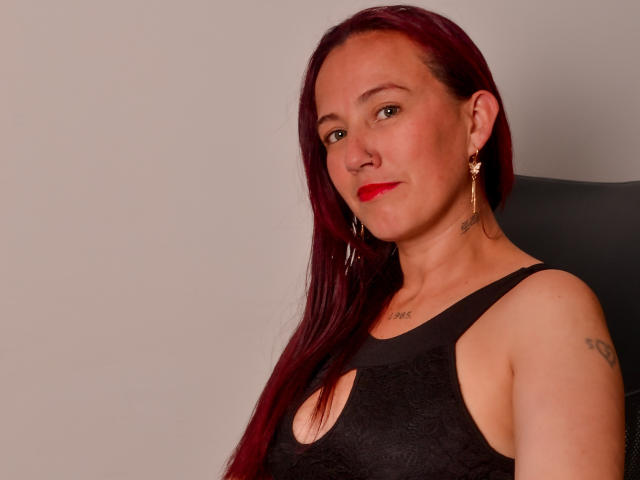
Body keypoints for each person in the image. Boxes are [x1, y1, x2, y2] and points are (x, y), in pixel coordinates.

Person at [223, 5, 625, 479]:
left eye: (386, 111)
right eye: (335, 133)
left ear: (475, 122)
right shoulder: (343, 314)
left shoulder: (549, 310)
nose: (355, 155)